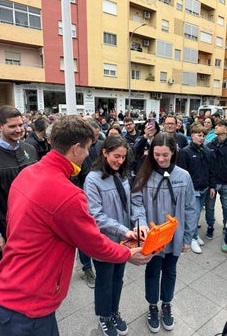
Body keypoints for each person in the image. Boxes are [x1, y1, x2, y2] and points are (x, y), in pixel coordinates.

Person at [0, 115, 152, 336]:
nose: (88, 154)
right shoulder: (67, 193)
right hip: (30, 304)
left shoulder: (27, 173)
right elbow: (94, 244)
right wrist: (127, 253)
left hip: (11, 288)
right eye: (87, 148)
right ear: (76, 148)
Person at [131, 132, 197, 333]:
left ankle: (166, 304)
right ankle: (152, 305)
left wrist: (187, 237)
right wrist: (141, 225)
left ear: (173, 152)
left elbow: (190, 208)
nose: (160, 159)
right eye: (157, 155)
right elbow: (136, 203)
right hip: (153, 238)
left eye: (165, 155)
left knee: (170, 271)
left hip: (174, 238)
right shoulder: (144, 174)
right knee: (152, 272)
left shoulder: (183, 176)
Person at [84, 135, 140, 336]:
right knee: (105, 280)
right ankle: (104, 316)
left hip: (124, 240)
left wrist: (136, 226)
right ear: (104, 152)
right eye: (116, 156)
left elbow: (129, 203)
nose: (120, 161)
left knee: (118, 278)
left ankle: (114, 311)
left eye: (123, 157)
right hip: (104, 241)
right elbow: (95, 215)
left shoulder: (122, 175)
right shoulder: (92, 179)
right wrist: (122, 229)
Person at [0, 105, 38, 262]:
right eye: (12, 126)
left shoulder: (30, 150)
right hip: (6, 230)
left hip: (34, 227)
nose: (19, 130)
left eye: (20, 125)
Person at [71, 119, 103, 288]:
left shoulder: (102, 146)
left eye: (95, 134)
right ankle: (86, 267)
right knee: (83, 235)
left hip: (100, 197)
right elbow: (74, 177)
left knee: (96, 232)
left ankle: (99, 261)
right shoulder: (79, 150)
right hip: (83, 197)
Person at [178, 123, 216, 254]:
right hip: (192, 190)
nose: (201, 137)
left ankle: (194, 235)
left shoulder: (206, 151)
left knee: (197, 213)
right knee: (193, 215)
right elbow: (182, 173)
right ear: (192, 135)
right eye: (199, 135)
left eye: (203, 135)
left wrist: (212, 186)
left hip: (204, 188)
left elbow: (211, 170)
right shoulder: (185, 152)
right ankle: (191, 238)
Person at [205, 120, 227, 239]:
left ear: (226, 130)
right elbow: (207, 165)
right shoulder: (209, 145)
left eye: (219, 126)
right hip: (213, 183)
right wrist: (210, 183)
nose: (216, 127)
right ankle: (210, 226)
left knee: (226, 207)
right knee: (209, 207)